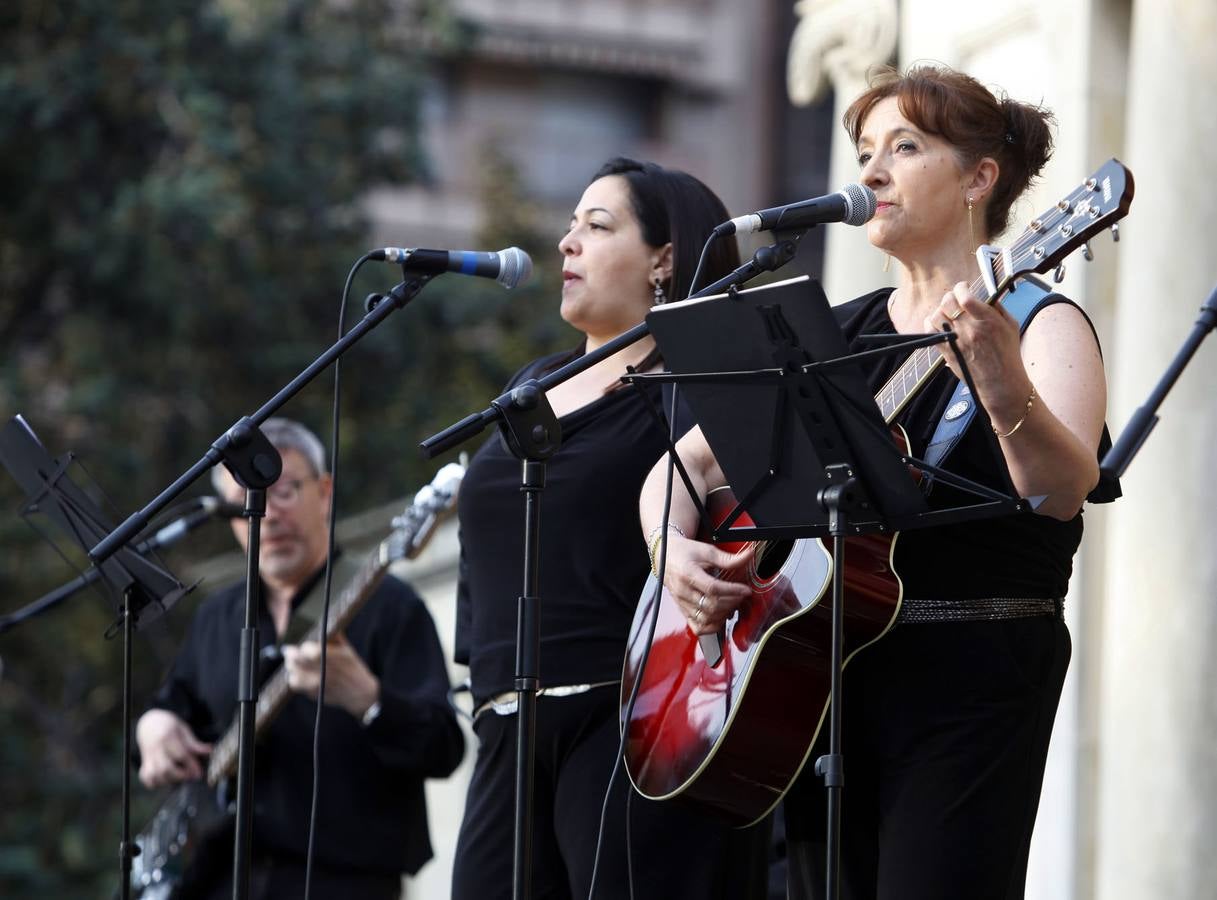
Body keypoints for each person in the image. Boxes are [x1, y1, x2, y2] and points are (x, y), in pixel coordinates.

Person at [637, 65, 1119, 899]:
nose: (869, 172)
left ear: (978, 178)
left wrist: (999, 376)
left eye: (903, 146)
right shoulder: (839, 332)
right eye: (863, 151)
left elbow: (1060, 491)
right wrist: (669, 554)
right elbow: (676, 470)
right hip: (823, 672)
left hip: (972, 672)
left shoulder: (1040, 320)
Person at [450, 158, 769, 899]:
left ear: (663, 258)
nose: (568, 244)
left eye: (596, 227)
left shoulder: (697, 387)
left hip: (628, 724)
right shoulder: (529, 383)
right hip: (506, 725)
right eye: (569, 227)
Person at [135, 417, 464, 899]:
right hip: (218, 880)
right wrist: (154, 726)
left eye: (284, 491)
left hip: (345, 883)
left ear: (324, 491)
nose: (267, 514)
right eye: (246, 501)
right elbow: (175, 707)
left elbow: (444, 747)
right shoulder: (218, 616)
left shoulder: (390, 606)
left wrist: (368, 699)